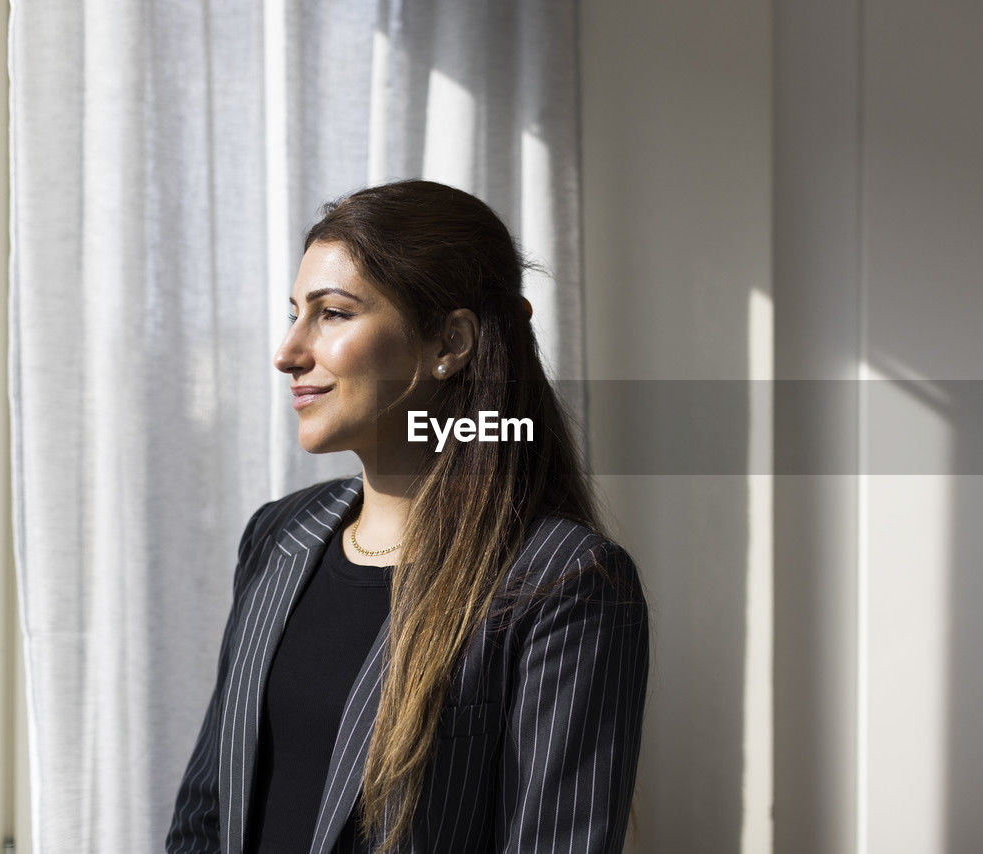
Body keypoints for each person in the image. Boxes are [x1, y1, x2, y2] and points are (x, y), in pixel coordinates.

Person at [165, 179, 650, 854]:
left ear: (449, 342)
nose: (287, 352)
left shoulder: (564, 582)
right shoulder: (277, 535)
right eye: (293, 313)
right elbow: (206, 815)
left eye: (332, 314)